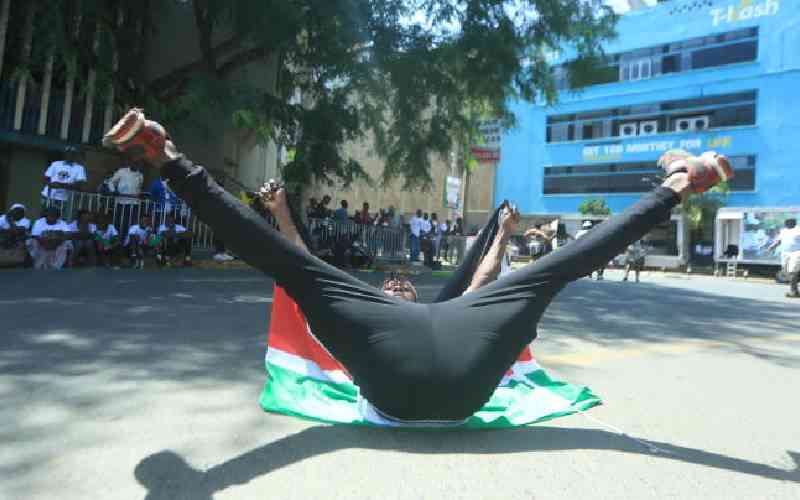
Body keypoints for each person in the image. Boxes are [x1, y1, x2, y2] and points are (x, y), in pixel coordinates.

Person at [103, 108, 733, 422]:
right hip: (431, 381)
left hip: (432, 372)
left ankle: (680, 185)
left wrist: (503, 236)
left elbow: (483, 279)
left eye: (403, 282)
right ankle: (679, 185)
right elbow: (290, 256)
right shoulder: (370, 307)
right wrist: (286, 214)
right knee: (558, 268)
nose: (399, 282)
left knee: (556, 266)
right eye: (393, 282)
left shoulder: (449, 306)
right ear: (387, 292)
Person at [41, 146, 87, 213]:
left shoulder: (79, 168)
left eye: (72, 154)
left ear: (75, 156)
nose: (70, 155)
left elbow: (80, 184)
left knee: (60, 218)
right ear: (65, 154)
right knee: (44, 215)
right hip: (47, 195)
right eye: (68, 153)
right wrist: (50, 184)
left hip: (64, 199)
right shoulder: (56, 164)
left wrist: (60, 185)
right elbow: (46, 177)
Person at [766, 218, 800, 298]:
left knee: (792, 271)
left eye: (789, 223)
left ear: (794, 224)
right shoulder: (784, 231)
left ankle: (793, 291)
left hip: (796, 252)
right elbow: (779, 241)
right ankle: (795, 290)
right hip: (785, 253)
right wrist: (771, 247)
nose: (787, 225)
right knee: (786, 272)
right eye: (786, 223)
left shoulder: (798, 230)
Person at [109, 160, 144, 236]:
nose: (136, 165)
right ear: (130, 163)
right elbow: (111, 182)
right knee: (118, 222)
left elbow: (139, 188)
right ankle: (116, 239)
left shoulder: (140, 175)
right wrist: (113, 191)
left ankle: (126, 240)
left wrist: (139, 195)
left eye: (138, 163)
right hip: (121, 202)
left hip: (134, 203)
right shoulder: (122, 171)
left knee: (130, 224)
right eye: (135, 162)